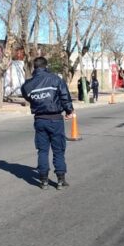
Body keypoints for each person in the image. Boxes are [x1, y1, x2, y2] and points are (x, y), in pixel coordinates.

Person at [21, 56, 75, 190]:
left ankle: (43, 180)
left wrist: (38, 101)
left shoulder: (28, 85)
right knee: (58, 150)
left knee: (42, 151)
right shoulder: (56, 79)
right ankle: (61, 180)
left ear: (34, 68)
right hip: (55, 119)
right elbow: (64, 96)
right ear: (46, 66)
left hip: (40, 120)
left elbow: (27, 95)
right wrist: (69, 111)